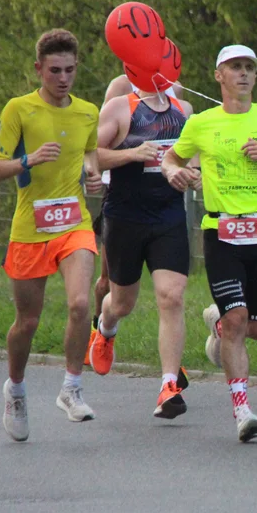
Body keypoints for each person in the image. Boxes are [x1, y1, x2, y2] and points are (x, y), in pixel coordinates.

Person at [161, 44, 257, 442]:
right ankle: (242, 410)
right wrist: (173, 174)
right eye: (236, 67)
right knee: (237, 322)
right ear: (220, 75)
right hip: (221, 232)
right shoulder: (202, 123)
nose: (244, 74)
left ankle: (217, 325)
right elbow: (171, 158)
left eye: (250, 67)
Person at [0, 28, 103, 442]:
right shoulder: (19, 109)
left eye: (70, 69)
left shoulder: (88, 110)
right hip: (30, 230)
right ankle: (15, 389)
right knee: (28, 322)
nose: (63, 78)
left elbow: (90, 151)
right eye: (54, 70)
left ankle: (71, 388)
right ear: (39, 69)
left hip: (74, 225)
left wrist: (93, 174)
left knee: (78, 303)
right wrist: (28, 160)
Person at [87, 74, 194, 419]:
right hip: (125, 216)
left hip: (169, 214)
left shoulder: (184, 108)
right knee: (123, 302)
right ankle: (105, 326)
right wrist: (133, 152)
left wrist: (189, 172)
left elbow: (193, 157)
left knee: (172, 295)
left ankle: (168, 386)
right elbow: (91, 156)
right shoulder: (120, 102)